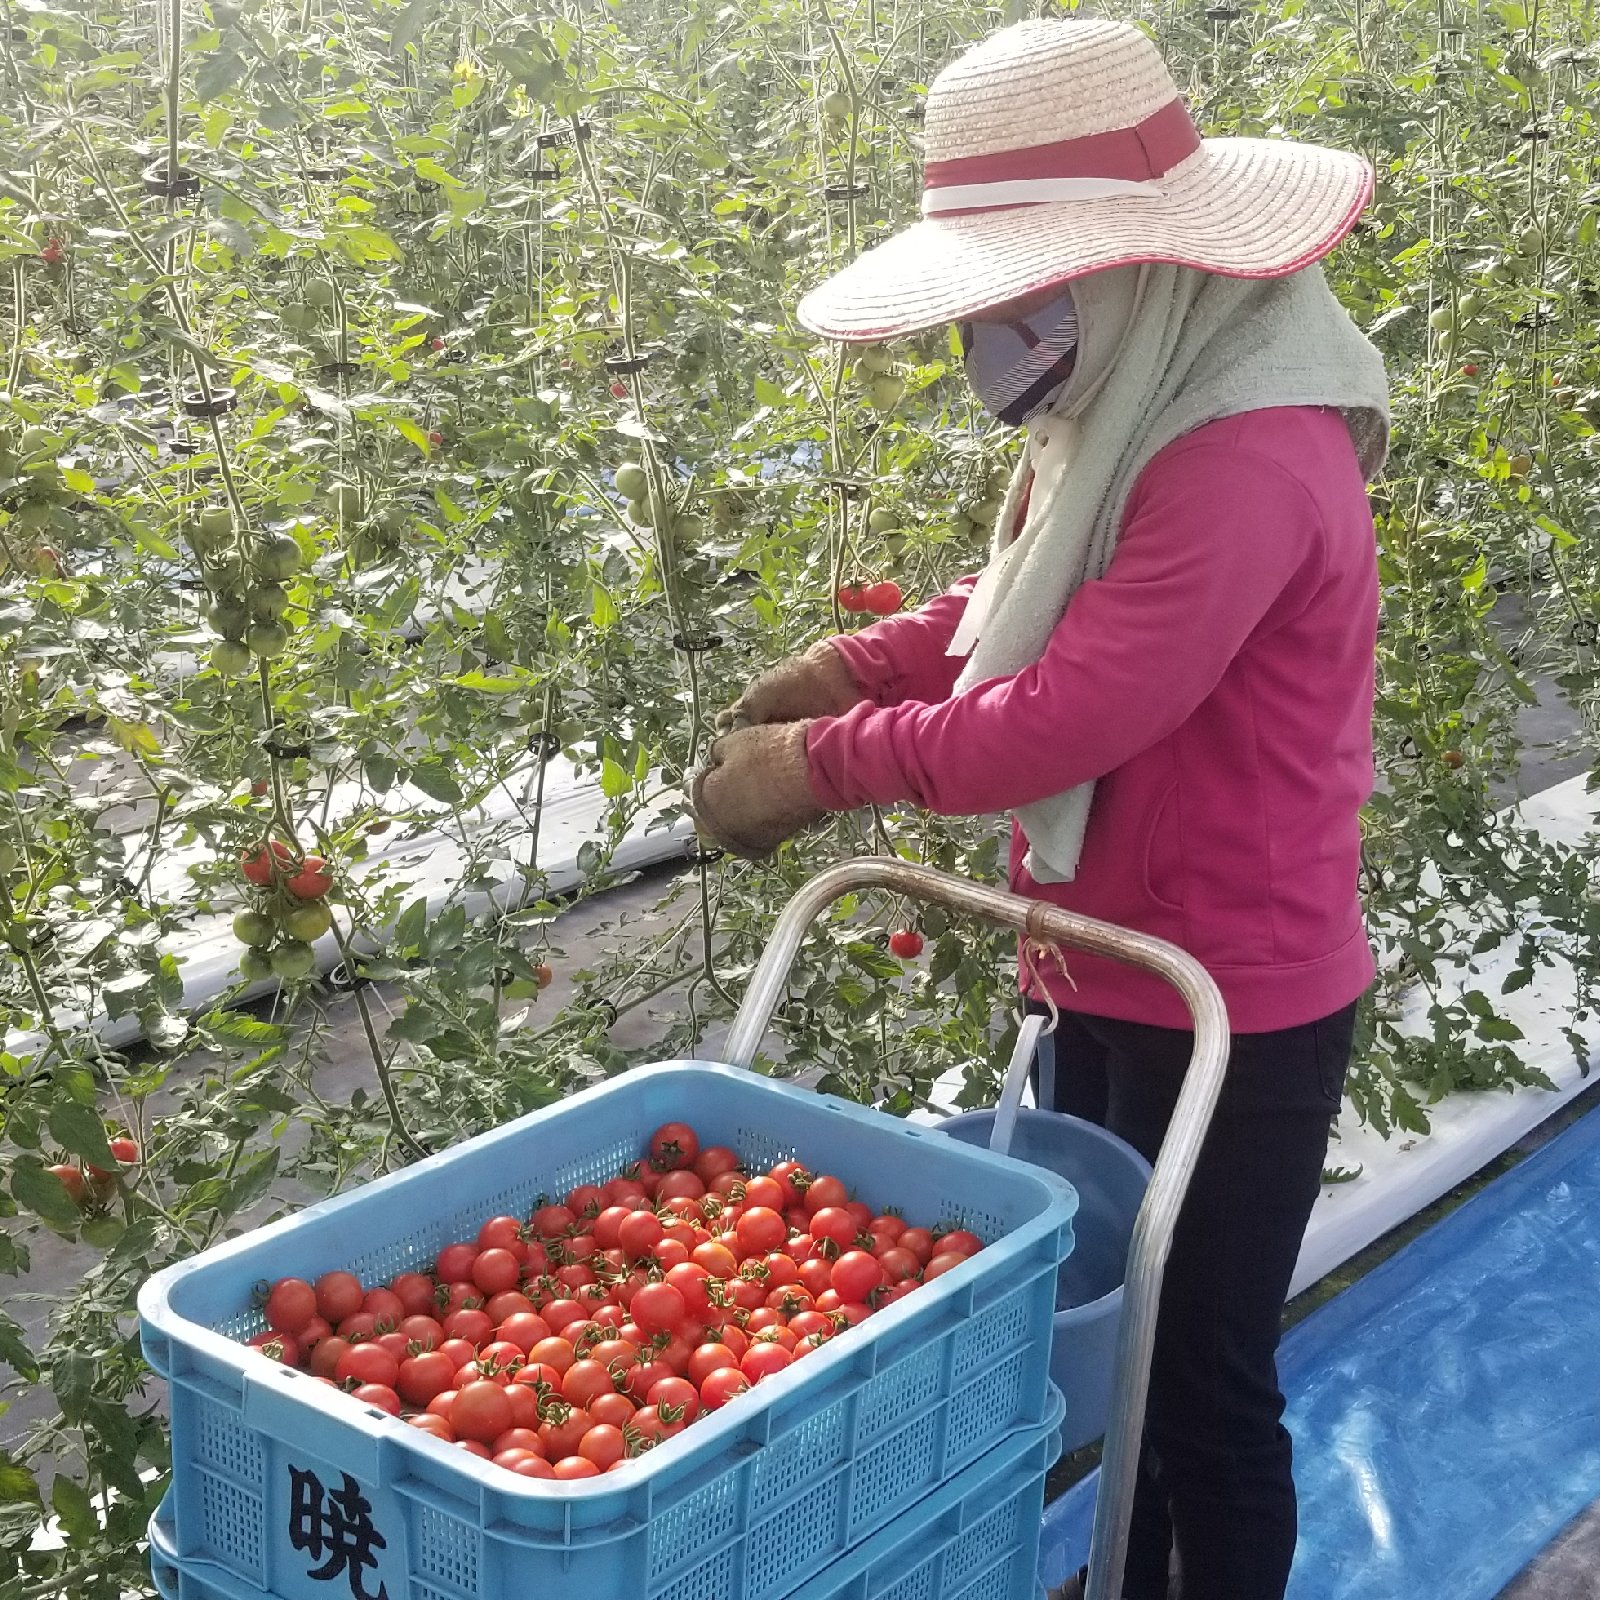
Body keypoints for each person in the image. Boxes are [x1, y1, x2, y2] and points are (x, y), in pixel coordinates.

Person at [690, 16, 1388, 1600]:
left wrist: (820, 764)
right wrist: (856, 662)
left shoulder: (1247, 456)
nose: (998, 333)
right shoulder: (1147, 399)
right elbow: (1030, 594)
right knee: (1123, 1351)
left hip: (1231, 999)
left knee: (1204, 1380)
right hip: (1103, 955)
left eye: (1027, 291)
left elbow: (1071, 711)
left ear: (1139, 263)